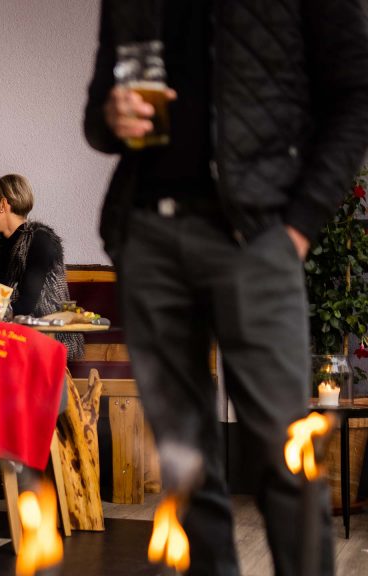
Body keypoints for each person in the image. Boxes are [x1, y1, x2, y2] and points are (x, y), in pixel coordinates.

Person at [84, 1, 368, 575]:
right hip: (148, 238)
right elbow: (97, 116)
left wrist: (297, 227)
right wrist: (110, 116)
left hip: (258, 239)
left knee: (287, 459)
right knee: (185, 464)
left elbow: (356, 96)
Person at [0, 173, 83, 360]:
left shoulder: (40, 241)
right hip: (4, 332)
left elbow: (27, 304)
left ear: (3, 205)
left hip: (41, 336)